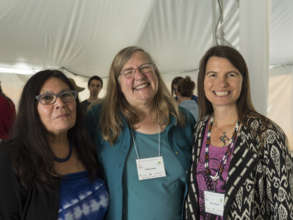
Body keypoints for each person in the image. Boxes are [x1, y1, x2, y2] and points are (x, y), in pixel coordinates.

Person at [86, 46, 195, 220]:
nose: (139, 76)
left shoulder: (182, 120)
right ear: (117, 83)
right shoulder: (98, 118)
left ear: (155, 73)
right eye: (128, 72)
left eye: (145, 67)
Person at [184, 45, 293, 219]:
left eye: (231, 74)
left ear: (243, 80)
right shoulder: (199, 129)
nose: (222, 83)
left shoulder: (266, 134)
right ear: (202, 80)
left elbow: (284, 205)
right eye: (213, 74)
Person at [0, 70, 108, 219]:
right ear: (32, 108)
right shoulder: (10, 158)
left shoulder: (86, 146)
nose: (60, 104)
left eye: (66, 95)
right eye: (47, 98)